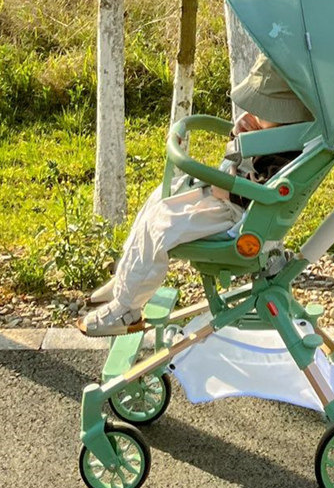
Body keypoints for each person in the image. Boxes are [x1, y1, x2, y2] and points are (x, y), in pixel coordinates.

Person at [78, 54, 312, 337]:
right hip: (226, 197)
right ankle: (126, 279)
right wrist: (241, 136)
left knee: (162, 226)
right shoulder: (278, 133)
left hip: (237, 216)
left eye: (262, 109)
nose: (254, 112)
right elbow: (250, 164)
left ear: (284, 115)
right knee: (159, 199)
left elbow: (269, 189)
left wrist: (230, 187)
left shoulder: (287, 151)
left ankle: (127, 310)